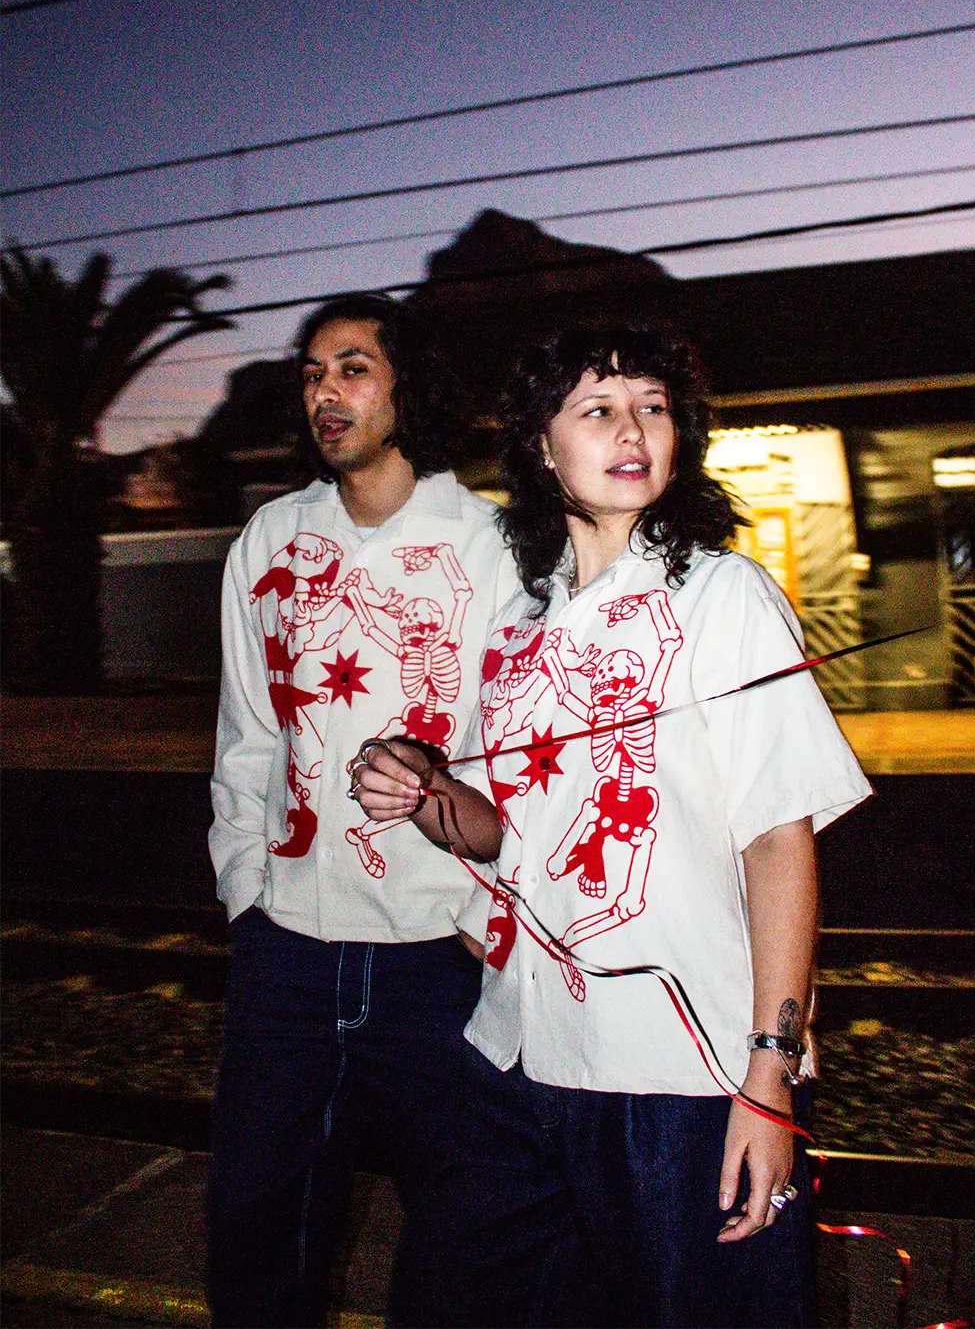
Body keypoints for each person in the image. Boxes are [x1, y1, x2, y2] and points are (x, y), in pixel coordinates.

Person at [352, 323, 872, 1328]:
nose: (632, 430)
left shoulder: (724, 597)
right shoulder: (517, 626)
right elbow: (502, 835)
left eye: (654, 408)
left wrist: (766, 1077)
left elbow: (777, 842)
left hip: (679, 1079)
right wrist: (422, 796)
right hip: (512, 1055)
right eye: (597, 409)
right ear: (543, 449)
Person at [206, 292, 519, 1329]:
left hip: (439, 955)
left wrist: (483, 918)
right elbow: (247, 733)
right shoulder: (271, 540)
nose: (324, 394)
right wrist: (247, 891)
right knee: (258, 1226)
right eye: (310, 374)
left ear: (406, 388)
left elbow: (519, 756)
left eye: (351, 368)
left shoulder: (493, 549)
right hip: (285, 953)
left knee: (459, 1238)